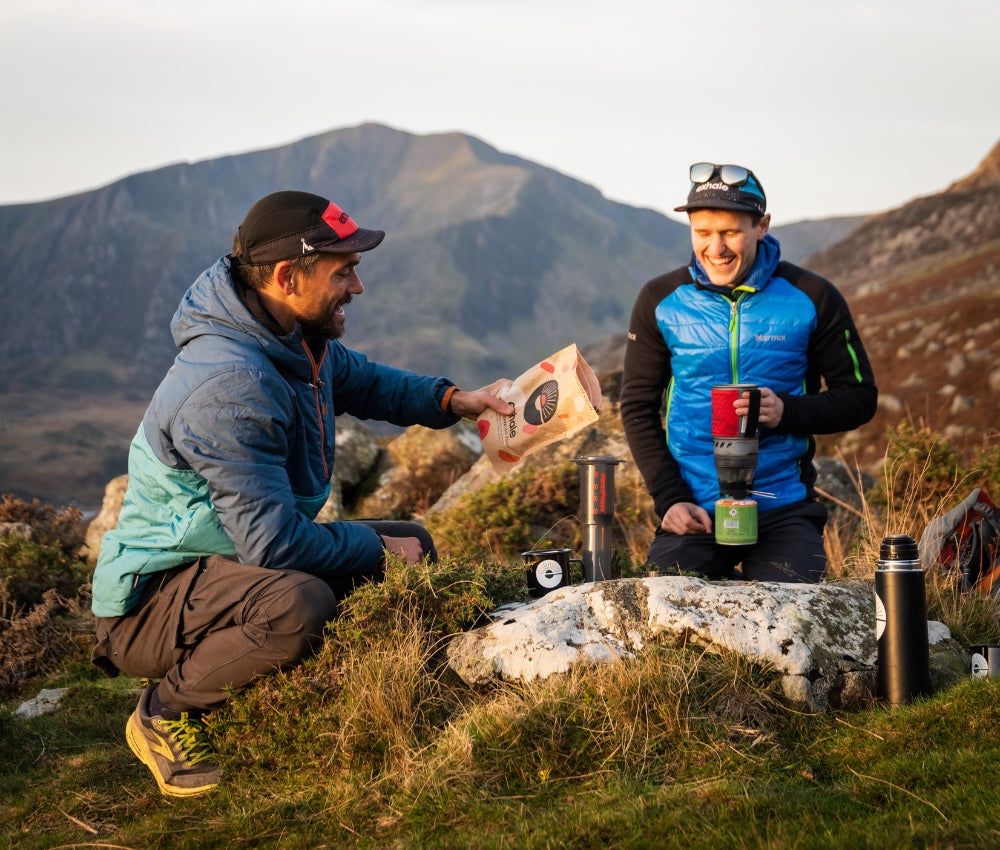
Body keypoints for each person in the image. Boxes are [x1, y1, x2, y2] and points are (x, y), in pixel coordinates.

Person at [90, 190, 515, 798]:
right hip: (152, 600)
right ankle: (163, 712)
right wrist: (374, 554)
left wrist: (456, 400)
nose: (357, 289)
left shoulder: (290, 339)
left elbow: (366, 382)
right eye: (343, 273)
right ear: (289, 277)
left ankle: (382, 680)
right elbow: (274, 546)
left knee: (411, 539)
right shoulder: (230, 385)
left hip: (227, 565)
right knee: (299, 602)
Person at [620, 163, 877, 583]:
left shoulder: (812, 297)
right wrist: (670, 500)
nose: (715, 248)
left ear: (762, 226)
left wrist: (787, 412)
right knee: (669, 622)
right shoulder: (660, 299)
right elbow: (636, 408)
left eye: (731, 232)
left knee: (797, 621)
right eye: (703, 233)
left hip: (782, 507)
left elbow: (860, 398)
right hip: (696, 508)